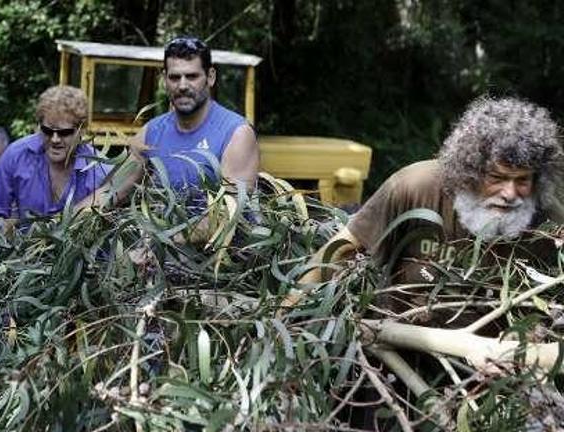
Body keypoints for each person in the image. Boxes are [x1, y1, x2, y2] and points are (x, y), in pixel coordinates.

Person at [291, 96, 563, 323]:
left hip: (489, 367)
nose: (510, 194)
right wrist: (285, 319)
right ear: (470, 170)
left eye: (522, 180)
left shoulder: (547, 223)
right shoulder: (415, 187)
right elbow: (338, 252)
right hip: (397, 348)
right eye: (497, 178)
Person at [76, 36, 259, 211]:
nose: (182, 86)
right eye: (174, 77)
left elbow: (228, 216)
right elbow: (111, 192)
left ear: (210, 77)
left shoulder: (236, 133)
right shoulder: (152, 132)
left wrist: (160, 240)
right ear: (164, 79)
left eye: (192, 76)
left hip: (216, 244)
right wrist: (61, 224)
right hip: (159, 240)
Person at [0, 86, 110, 227]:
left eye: (64, 133)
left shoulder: (101, 171)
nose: (54, 139)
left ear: (81, 130)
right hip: (26, 245)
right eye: (47, 131)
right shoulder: (16, 156)